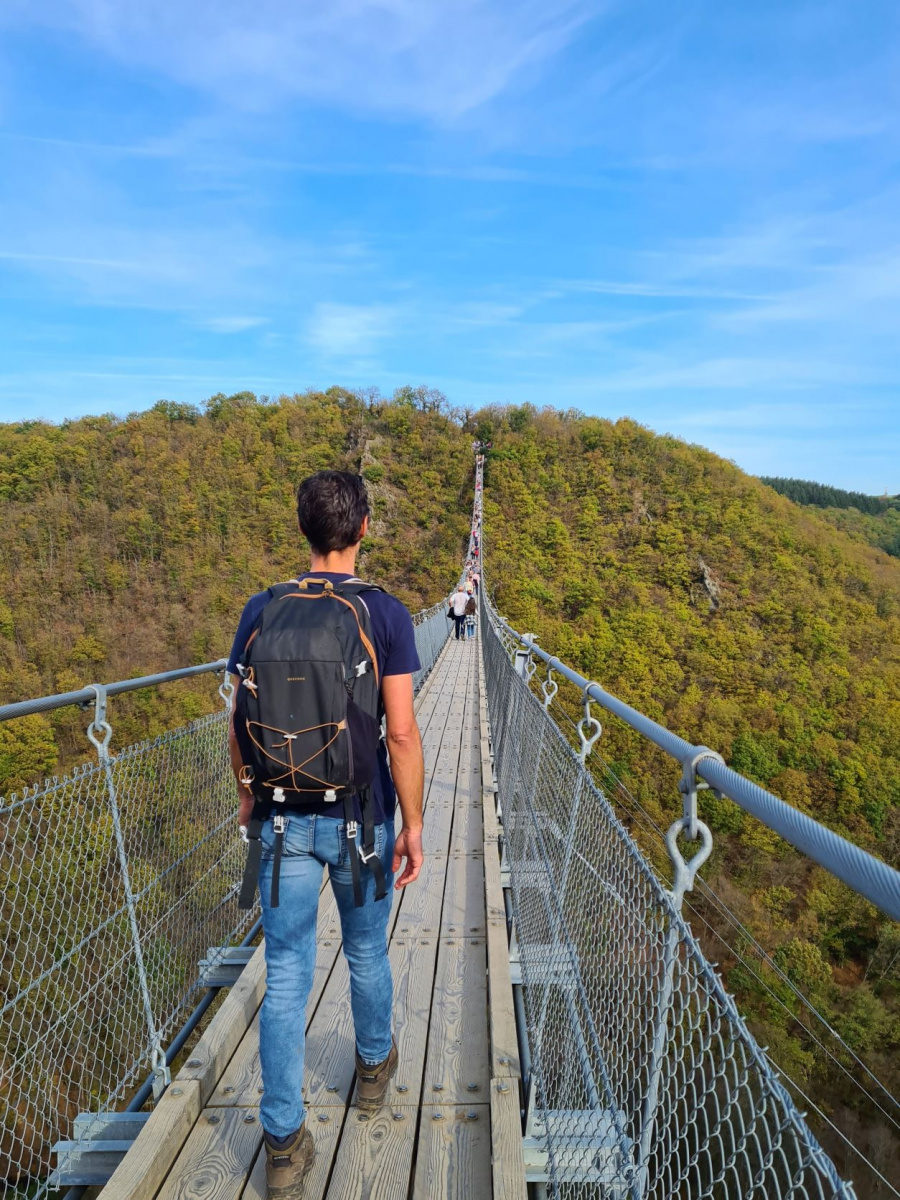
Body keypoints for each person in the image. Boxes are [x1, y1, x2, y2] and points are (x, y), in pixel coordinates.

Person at [227, 470, 425, 1199]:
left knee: (285, 976)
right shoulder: (387, 615)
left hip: (281, 818)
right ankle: (373, 1068)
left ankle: (282, 1144)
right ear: (364, 528)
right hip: (362, 822)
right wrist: (415, 825)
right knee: (367, 949)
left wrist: (249, 799)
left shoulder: (260, 609)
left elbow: (237, 723)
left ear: (304, 529)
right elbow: (401, 733)